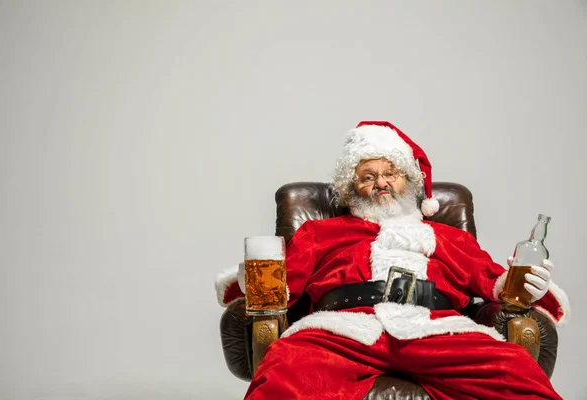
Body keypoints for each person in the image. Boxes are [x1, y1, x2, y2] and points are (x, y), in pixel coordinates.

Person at [215, 120, 570, 400]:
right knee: (283, 369)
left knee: (514, 372)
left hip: (435, 329)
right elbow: (283, 285)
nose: (380, 184)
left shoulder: (449, 237)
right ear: (352, 188)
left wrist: (528, 283)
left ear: (408, 180)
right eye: (367, 177)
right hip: (341, 331)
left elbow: (493, 281)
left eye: (390, 174)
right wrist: (248, 282)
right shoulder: (320, 233)